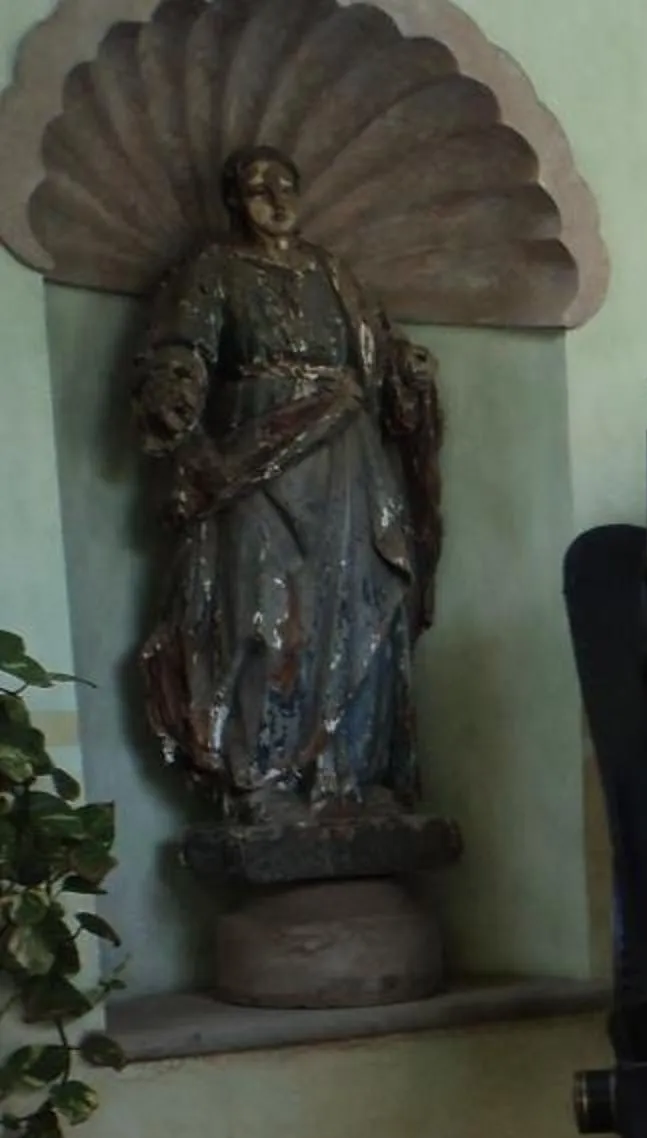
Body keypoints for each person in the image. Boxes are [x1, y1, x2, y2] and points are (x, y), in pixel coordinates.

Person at [133, 145, 440, 820]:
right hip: (254, 457)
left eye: (285, 183)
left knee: (360, 610)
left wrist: (407, 371)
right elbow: (182, 350)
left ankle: (349, 780)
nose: (275, 197)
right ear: (234, 202)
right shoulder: (214, 271)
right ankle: (261, 778)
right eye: (256, 186)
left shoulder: (335, 275)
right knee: (265, 616)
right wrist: (172, 391)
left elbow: (378, 360)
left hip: (346, 461)